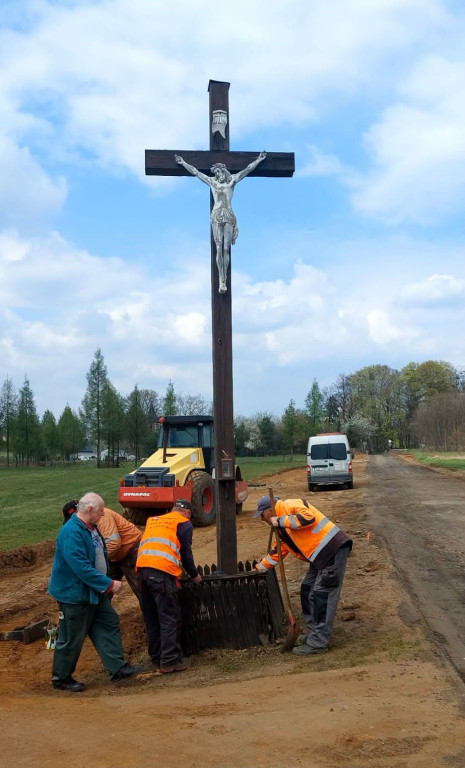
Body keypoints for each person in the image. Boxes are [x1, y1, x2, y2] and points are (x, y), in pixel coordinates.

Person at [48, 492, 139, 692]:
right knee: (72, 636)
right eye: (100, 511)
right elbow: (80, 567)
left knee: (108, 622)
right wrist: (107, 584)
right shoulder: (72, 532)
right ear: (89, 509)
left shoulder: (91, 528)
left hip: (93, 592)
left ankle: (117, 667)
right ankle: (61, 678)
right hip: (75, 595)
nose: (102, 515)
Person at [253, 495, 352, 655]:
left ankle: (318, 643)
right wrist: (257, 569)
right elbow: (276, 553)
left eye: (262, 515)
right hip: (319, 557)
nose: (262, 519)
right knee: (307, 590)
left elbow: (308, 517)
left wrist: (279, 520)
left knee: (322, 596)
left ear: (269, 510)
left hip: (332, 549)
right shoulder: (281, 528)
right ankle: (313, 634)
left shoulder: (289, 505)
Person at [174, 151, 267, 293]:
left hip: (228, 215)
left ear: (224, 171)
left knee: (225, 248)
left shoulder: (232, 180)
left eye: (219, 171)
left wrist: (259, 160)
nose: (218, 175)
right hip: (216, 215)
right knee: (218, 248)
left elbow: (247, 170)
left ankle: (225, 279)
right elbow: (196, 172)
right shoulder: (212, 182)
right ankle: (221, 279)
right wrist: (183, 163)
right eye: (216, 172)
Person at [136, 499, 202, 674]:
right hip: (162, 573)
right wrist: (195, 575)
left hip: (142, 572)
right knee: (169, 617)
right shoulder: (184, 524)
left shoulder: (154, 520)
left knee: (152, 618)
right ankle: (170, 661)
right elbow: (186, 554)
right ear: (187, 512)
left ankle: (156, 658)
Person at [62, 500, 142, 605]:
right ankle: (101, 615)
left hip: (130, 550)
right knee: (102, 586)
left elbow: (113, 544)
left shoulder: (103, 516)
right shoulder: (84, 524)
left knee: (140, 588)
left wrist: (93, 560)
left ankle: (154, 619)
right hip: (112, 555)